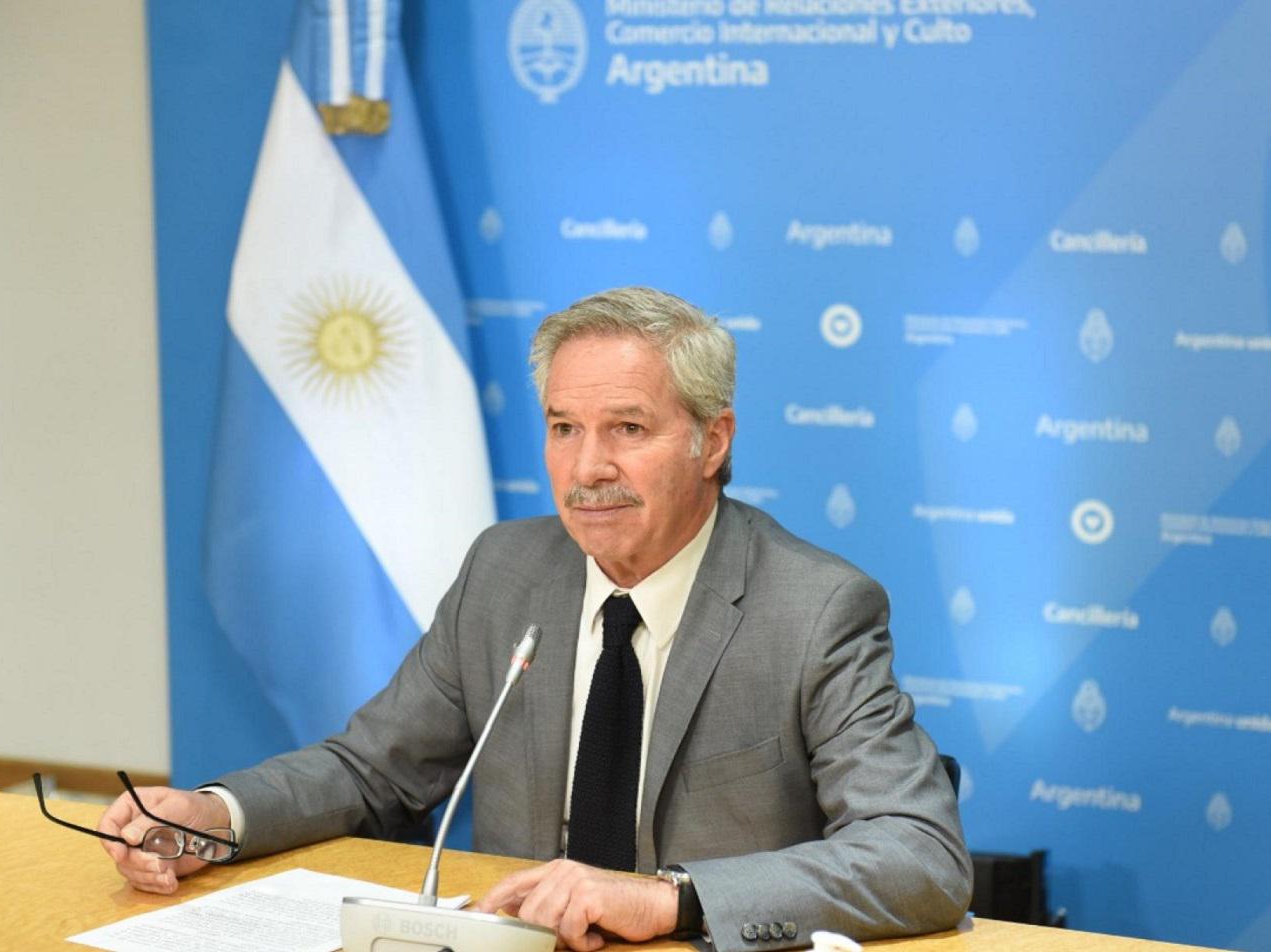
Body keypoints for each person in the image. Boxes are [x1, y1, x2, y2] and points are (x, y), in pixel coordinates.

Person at [98, 287, 971, 951]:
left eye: (627, 427)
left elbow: (920, 855)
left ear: (713, 441)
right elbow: (373, 773)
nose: (587, 467)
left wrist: (668, 896)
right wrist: (217, 815)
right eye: (563, 427)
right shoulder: (505, 572)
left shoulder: (814, 609)